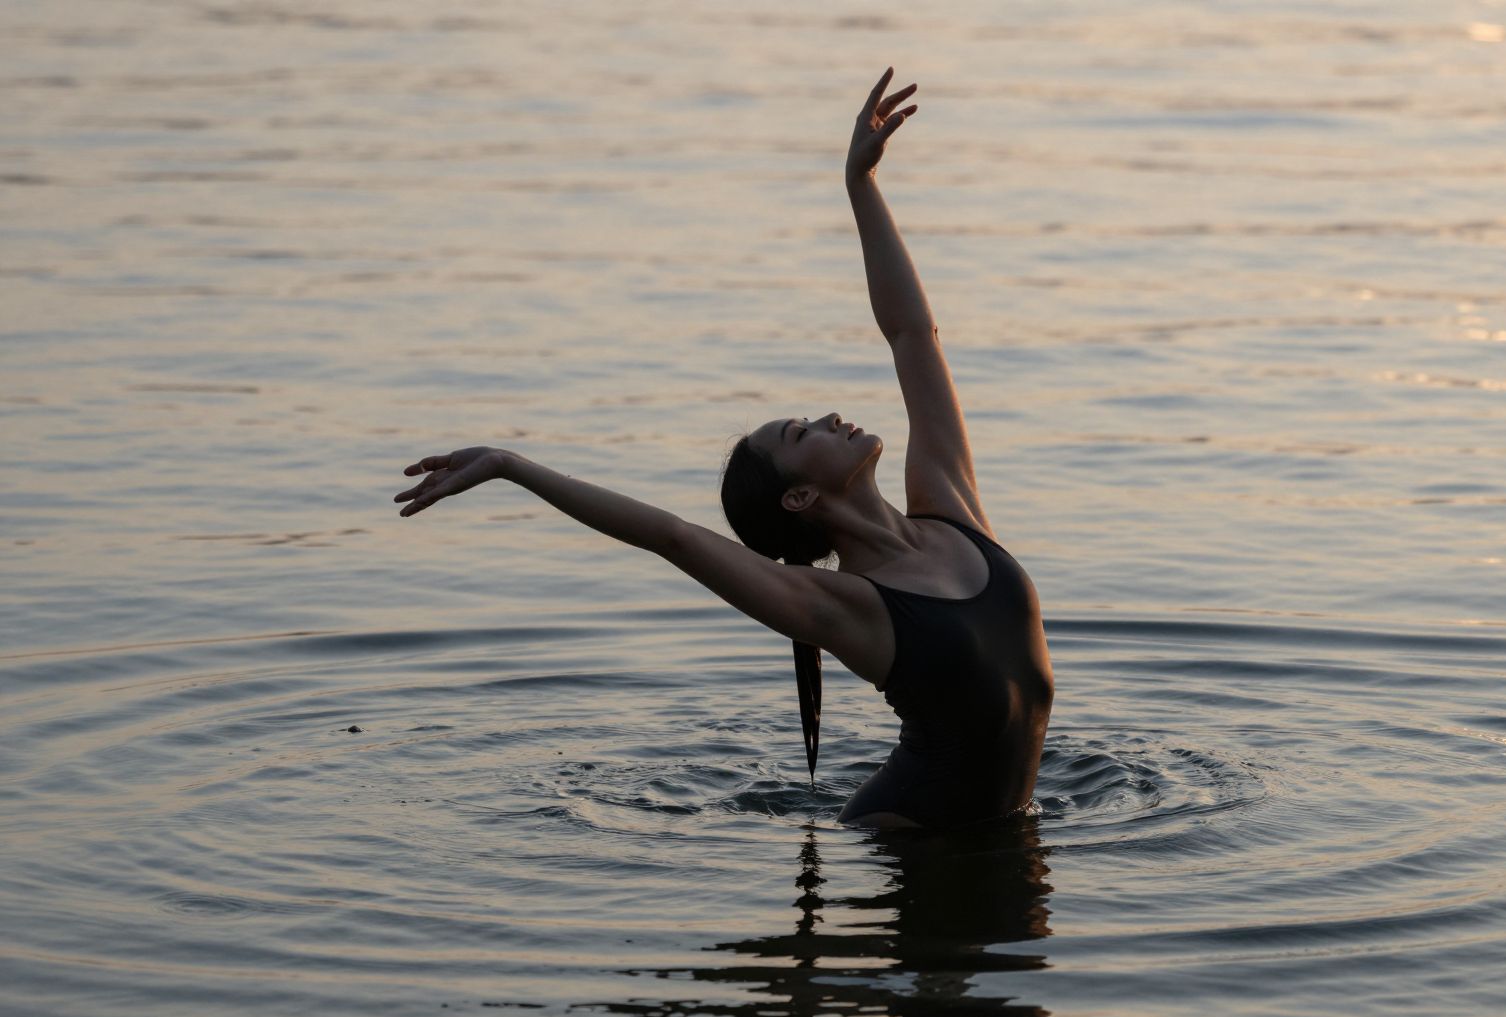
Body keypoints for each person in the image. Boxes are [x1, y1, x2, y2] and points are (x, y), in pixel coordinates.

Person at [392, 69, 1054, 830]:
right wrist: (514, 466)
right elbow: (672, 535)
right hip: (909, 847)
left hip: (1005, 841)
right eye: (799, 434)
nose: (828, 416)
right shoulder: (842, 607)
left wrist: (860, 185)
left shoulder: (949, 504)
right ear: (800, 499)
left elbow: (914, 336)